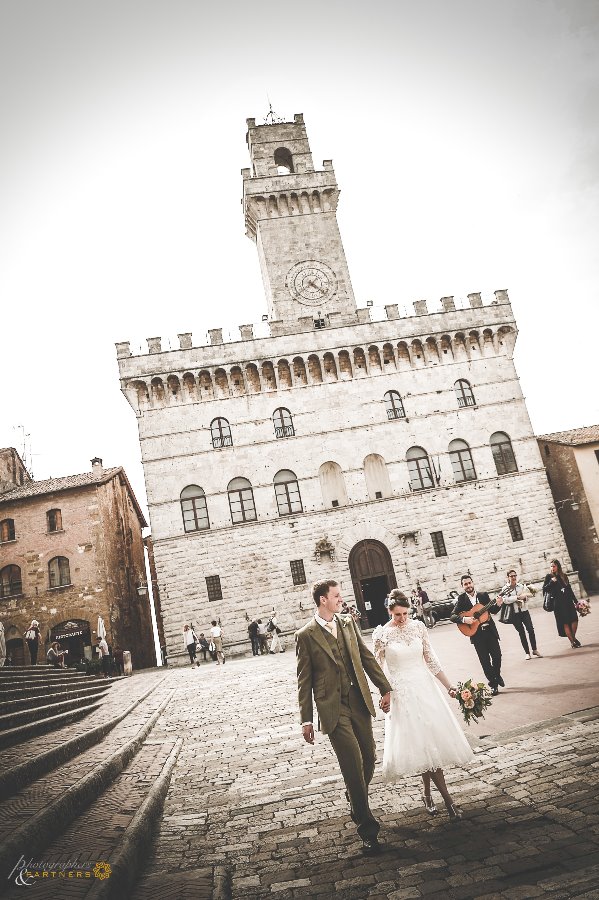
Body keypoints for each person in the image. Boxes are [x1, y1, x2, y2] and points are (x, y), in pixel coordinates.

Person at [296, 579, 392, 856]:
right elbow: (304, 681)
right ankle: (368, 830)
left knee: (369, 757)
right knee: (352, 765)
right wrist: (306, 719)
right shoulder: (306, 634)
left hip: (359, 701)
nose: (341, 599)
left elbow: (366, 658)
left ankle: (355, 797)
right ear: (322, 600)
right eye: (336, 595)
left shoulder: (348, 623)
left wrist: (384, 688)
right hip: (333, 709)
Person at [373, 593, 473, 821]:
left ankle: (428, 794)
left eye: (405, 613)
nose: (402, 618)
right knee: (423, 746)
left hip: (426, 691)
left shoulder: (418, 627)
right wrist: (384, 694)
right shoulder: (381, 635)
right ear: (390, 611)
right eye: (397, 614)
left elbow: (431, 660)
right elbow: (377, 671)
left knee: (428, 747)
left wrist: (449, 687)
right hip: (403, 696)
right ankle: (449, 803)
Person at [450, 575, 505, 695]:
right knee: (485, 661)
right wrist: (465, 620)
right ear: (462, 586)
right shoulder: (461, 599)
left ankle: (496, 675)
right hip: (476, 635)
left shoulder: (483, 595)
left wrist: (499, 604)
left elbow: (493, 610)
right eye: (465, 584)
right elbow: (452, 616)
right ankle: (493, 684)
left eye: (469, 583)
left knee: (497, 656)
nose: (468, 586)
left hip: (490, 631)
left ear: (473, 583)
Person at [499, 570, 542, 659]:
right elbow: (505, 600)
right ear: (508, 577)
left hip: (524, 611)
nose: (514, 577)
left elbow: (526, 597)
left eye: (515, 575)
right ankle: (527, 653)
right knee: (521, 632)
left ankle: (534, 649)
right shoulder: (505, 589)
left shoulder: (521, 586)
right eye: (511, 576)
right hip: (514, 614)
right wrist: (517, 598)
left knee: (530, 629)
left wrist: (525, 598)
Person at [543, 559, 580, 648]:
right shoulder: (549, 577)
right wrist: (551, 582)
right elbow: (545, 589)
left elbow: (569, 589)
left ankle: (573, 639)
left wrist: (576, 601)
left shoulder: (564, 576)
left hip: (568, 601)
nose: (552, 568)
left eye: (554, 566)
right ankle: (572, 642)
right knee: (565, 623)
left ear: (558, 567)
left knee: (574, 619)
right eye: (551, 566)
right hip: (558, 604)